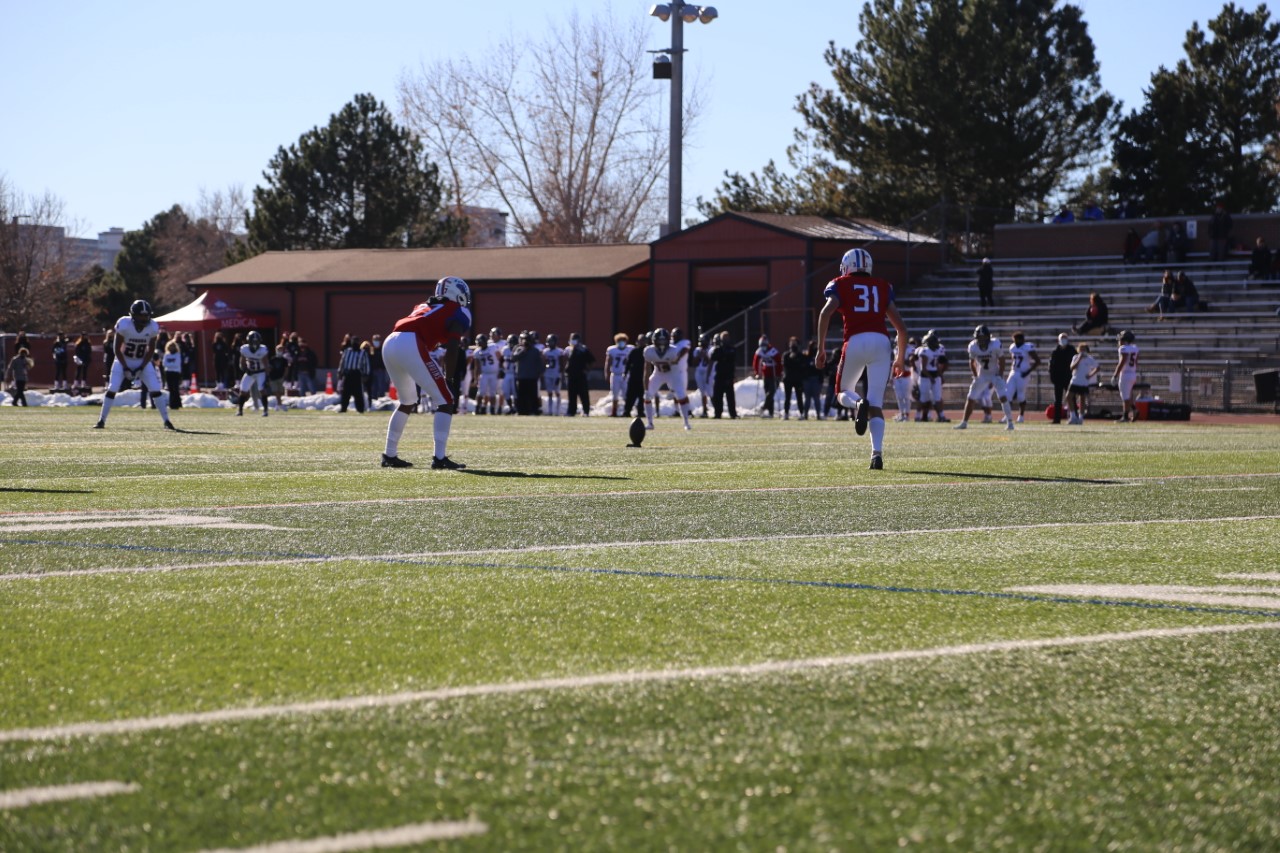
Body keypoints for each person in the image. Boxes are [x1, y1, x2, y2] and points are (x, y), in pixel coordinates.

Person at [814, 247, 908, 469]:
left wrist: (821, 348)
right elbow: (902, 329)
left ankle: (857, 403)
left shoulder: (840, 283)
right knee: (876, 402)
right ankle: (876, 454)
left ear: (847, 266)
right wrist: (900, 358)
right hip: (882, 343)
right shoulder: (883, 287)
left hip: (855, 340)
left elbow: (825, 313)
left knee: (841, 392)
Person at [380, 276, 473, 469]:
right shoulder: (458, 311)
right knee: (446, 400)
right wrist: (450, 377)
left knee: (407, 401)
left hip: (390, 340)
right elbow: (453, 346)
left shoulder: (424, 305)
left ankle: (389, 455)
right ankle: (439, 458)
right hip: (410, 342)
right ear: (456, 292)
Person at [94, 300, 174, 430]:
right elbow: (117, 349)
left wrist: (141, 367)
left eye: (146, 316)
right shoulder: (124, 324)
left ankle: (167, 421)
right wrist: (125, 366)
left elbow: (150, 349)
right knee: (112, 388)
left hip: (142, 360)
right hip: (122, 360)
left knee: (155, 389)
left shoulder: (153, 327)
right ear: (133, 315)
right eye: (141, 316)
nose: (144, 319)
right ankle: (101, 420)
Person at [953, 325, 1014, 431]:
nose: (981, 340)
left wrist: (1000, 373)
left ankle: (1010, 423)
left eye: (983, 337)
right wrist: (975, 375)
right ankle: (964, 422)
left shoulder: (995, 344)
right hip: (982, 375)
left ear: (988, 337)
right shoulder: (973, 346)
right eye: (979, 338)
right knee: (971, 398)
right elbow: (971, 362)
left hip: (994, 374)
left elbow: (1002, 359)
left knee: (1003, 397)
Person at [643, 327, 693, 430]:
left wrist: (673, 386)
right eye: (659, 340)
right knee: (647, 396)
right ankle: (650, 423)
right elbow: (646, 371)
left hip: (672, 373)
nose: (661, 343)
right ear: (654, 341)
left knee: (681, 395)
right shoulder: (649, 351)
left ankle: (686, 423)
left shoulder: (673, 351)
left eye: (663, 340)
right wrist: (646, 388)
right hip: (658, 373)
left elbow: (675, 367)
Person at [1005, 329, 1041, 422]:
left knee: (1021, 395)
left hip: (1023, 373)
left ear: (1022, 339)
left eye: (1017, 340)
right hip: (1013, 372)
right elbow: (1014, 360)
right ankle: (1007, 416)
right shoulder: (1012, 347)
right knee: (1008, 394)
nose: (1015, 342)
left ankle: (1021, 416)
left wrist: (1028, 372)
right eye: (1014, 340)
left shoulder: (1027, 347)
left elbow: (1037, 361)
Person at [914, 330, 948, 422]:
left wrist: (940, 376)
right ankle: (918, 416)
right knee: (923, 399)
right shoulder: (925, 351)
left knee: (937, 397)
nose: (936, 344)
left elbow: (937, 365)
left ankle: (941, 417)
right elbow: (923, 368)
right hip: (925, 376)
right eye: (934, 342)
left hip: (934, 376)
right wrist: (931, 378)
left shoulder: (937, 350)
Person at [236, 330, 272, 417]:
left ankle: (265, 410)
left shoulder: (263, 349)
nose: (255, 343)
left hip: (260, 372)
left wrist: (267, 376)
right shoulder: (244, 349)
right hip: (250, 372)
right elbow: (242, 361)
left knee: (261, 389)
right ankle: (240, 410)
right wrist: (244, 369)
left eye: (257, 341)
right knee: (243, 390)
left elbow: (266, 364)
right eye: (253, 341)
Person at [1066, 343, 1099, 425]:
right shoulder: (1075, 357)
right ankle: (1073, 416)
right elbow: (1072, 367)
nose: (1082, 351)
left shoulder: (1090, 359)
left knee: (1082, 399)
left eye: (1084, 349)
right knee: (1068, 397)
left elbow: (1098, 367)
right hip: (1075, 380)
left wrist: (1090, 375)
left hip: (1084, 382)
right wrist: (1079, 359)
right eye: (1081, 349)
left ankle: (1081, 418)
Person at [563, 332, 595, 416]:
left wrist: (587, 370)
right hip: (570, 375)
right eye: (572, 339)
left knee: (583, 394)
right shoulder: (568, 349)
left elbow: (591, 361)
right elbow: (565, 360)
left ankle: (586, 411)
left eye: (575, 339)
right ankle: (571, 411)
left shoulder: (583, 349)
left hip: (580, 374)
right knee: (571, 395)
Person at [1113, 330, 1141, 423]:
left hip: (1125, 374)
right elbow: (1136, 362)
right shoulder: (1135, 348)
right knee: (1128, 395)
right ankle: (1134, 410)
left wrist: (1115, 374)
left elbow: (1122, 361)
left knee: (1125, 396)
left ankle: (1125, 416)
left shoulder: (1123, 348)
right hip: (1132, 373)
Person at [513, 332, 544, 415]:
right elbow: (514, 358)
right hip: (521, 377)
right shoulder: (519, 349)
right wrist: (523, 350)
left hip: (532, 377)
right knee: (521, 396)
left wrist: (539, 373)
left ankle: (534, 410)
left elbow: (539, 363)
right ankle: (521, 411)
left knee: (533, 396)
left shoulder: (535, 351)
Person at [708, 331, 738, 419]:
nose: (725, 340)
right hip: (719, 376)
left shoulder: (732, 349)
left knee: (730, 397)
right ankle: (718, 413)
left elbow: (732, 358)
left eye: (726, 338)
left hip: (728, 375)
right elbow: (713, 357)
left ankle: (733, 414)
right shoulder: (717, 349)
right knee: (718, 396)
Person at [1048, 333, 1076, 424]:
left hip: (1069, 377)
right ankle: (1057, 419)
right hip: (1058, 378)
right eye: (1062, 338)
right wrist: (1052, 376)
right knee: (1058, 400)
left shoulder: (1072, 350)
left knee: (1072, 398)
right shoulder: (1055, 351)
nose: (1063, 340)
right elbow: (1051, 365)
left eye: (1065, 338)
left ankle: (1074, 417)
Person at [471, 333, 501, 415]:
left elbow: (500, 359)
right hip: (484, 374)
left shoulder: (493, 347)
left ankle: (492, 409)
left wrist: (501, 370)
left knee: (492, 393)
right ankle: (478, 408)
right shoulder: (477, 352)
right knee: (481, 392)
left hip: (494, 373)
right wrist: (476, 378)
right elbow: (477, 367)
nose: (479, 344)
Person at [752, 334, 779, 417]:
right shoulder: (759, 351)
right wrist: (757, 372)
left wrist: (778, 374)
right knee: (768, 393)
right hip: (765, 375)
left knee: (771, 393)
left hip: (774, 376)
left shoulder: (773, 351)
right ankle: (771, 412)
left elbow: (779, 364)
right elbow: (756, 362)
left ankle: (763, 408)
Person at [605, 333, 632, 417]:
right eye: (619, 341)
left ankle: (626, 411)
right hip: (615, 374)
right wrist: (607, 374)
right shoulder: (612, 350)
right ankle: (614, 412)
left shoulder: (630, 349)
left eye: (623, 341)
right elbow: (608, 363)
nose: (621, 342)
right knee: (614, 394)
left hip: (626, 375)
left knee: (626, 394)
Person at [623, 332, 648, 418]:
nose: (642, 342)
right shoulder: (634, 351)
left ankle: (640, 412)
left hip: (643, 377)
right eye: (640, 340)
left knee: (642, 396)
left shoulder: (648, 351)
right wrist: (625, 373)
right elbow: (628, 363)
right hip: (634, 377)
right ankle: (627, 411)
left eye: (643, 340)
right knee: (630, 395)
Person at [541, 334, 565, 416]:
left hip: (556, 374)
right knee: (549, 393)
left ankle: (557, 411)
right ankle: (550, 410)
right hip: (547, 374)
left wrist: (560, 375)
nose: (550, 343)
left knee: (557, 392)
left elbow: (562, 365)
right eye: (549, 341)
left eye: (551, 341)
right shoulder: (545, 351)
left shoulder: (559, 351)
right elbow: (544, 363)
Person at [801, 340, 825, 420]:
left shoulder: (819, 356)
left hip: (816, 379)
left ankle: (818, 415)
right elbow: (803, 368)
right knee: (807, 398)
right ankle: (805, 415)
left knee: (816, 398)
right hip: (807, 380)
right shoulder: (805, 357)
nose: (813, 348)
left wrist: (821, 379)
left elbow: (822, 369)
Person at [266, 343, 290, 411]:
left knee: (281, 392)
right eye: (279, 350)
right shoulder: (272, 359)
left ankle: (279, 404)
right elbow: (268, 368)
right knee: (276, 391)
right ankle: (279, 404)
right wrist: (268, 375)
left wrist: (285, 376)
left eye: (281, 350)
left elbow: (286, 369)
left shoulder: (284, 360)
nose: (280, 351)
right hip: (273, 377)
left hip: (281, 377)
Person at [161, 339, 184, 409]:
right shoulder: (166, 355)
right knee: (171, 389)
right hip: (168, 373)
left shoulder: (177, 355)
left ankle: (177, 404)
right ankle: (172, 404)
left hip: (175, 373)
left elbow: (177, 364)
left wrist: (169, 364)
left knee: (175, 388)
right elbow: (164, 364)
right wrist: (171, 364)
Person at [368, 333, 389, 399]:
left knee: (381, 384)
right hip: (373, 370)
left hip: (381, 370)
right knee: (374, 385)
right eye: (374, 340)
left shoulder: (382, 349)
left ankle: (381, 397)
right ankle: (373, 397)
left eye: (377, 340)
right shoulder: (371, 350)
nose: (376, 342)